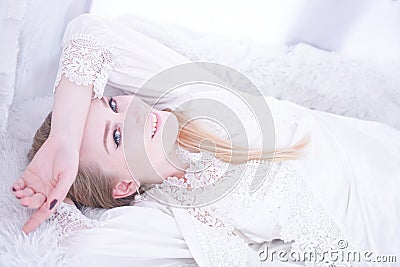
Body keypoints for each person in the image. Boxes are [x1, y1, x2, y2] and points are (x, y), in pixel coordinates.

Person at [11, 14, 400, 266]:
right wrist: (57, 200)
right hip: (378, 235)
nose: (129, 112)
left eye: (113, 102)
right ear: (125, 185)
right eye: (115, 135)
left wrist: (63, 137)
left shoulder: (185, 98)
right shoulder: (176, 218)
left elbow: (88, 32)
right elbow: (87, 250)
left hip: (378, 156)